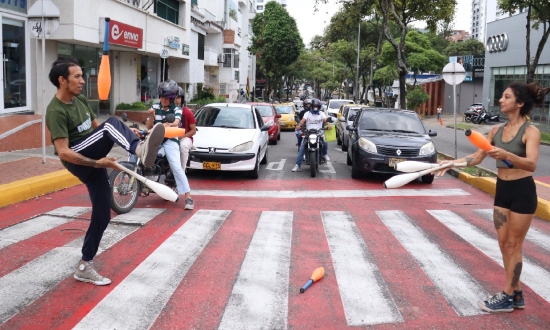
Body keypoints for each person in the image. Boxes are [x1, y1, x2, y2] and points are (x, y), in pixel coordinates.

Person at [46, 57, 166, 286]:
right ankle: (139, 150)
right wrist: (99, 162)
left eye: (82, 75)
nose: (83, 80)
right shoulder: (56, 111)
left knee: (102, 213)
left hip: (91, 153)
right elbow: (63, 152)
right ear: (62, 81)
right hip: (77, 157)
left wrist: (125, 133)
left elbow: (96, 129)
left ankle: (84, 265)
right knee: (112, 122)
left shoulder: (79, 99)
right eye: (77, 76)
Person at [436, 81, 550, 313]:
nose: (500, 100)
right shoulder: (496, 131)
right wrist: (451, 163)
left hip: (522, 192)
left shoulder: (531, 132)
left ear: (519, 103)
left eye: (506, 97)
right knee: (502, 244)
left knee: (513, 244)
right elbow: (477, 158)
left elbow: (531, 164)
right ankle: (516, 293)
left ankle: (507, 295)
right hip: (502, 191)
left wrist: (507, 154)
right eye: (502, 97)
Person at [146, 80, 194, 210]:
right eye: (162, 97)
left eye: (166, 98)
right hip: (156, 140)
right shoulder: (155, 107)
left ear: (172, 99)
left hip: (170, 141)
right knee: (141, 157)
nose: (163, 100)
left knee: (177, 167)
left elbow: (175, 121)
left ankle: (188, 197)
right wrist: (151, 116)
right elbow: (148, 126)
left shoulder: (177, 109)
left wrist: (168, 124)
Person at [292, 98, 331, 172]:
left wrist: (328, 125)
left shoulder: (322, 113)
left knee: (325, 142)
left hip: (319, 133)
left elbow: (325, 120)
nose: (315, 108)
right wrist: (299, 125)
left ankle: (325, 154)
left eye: (317, 106)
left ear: (319, 107)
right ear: (311, 106)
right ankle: (297, 165)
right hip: (308, 133)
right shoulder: (307, 113)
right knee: (302, 148)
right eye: (314, 106)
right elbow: (302, 121)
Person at [174, 87, 197, 171]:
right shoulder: (168, 112)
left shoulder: (187, 113)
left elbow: (193, 131)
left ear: (182, 99)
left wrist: (182, 136)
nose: (176, 100)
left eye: (178, 98)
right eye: (174, 98)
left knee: (183, 146)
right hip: (170, 138)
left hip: (185, 138)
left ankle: (182, 171)